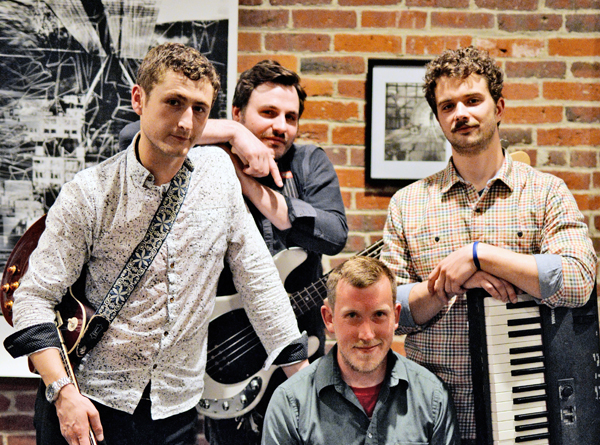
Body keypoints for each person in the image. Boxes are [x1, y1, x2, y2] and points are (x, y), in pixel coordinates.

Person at [5, 43, 309, 445]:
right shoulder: (89, 193)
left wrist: (304, 385)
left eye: (199, 109)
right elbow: (33, 299)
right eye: (173, 102)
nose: (186, 122)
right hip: (88, 403)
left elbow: (259, 281)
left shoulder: (219, 175)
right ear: (138, 99)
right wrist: (63, 394)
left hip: (175, 409)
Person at [120, 60, 348, 444]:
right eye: (269, 113)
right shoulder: (198, 156)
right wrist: (229, 134)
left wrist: (248, 185)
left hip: (294, 352)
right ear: (240, 114)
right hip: (222, 354)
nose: (281, 126)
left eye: (291, 117)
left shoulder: (310, 164)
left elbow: (332, 235)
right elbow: (130, 133)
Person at [380, 46, 597, 443]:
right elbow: (391, 311)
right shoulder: (406, 204)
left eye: (473, 100)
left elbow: (579, 279)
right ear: (439, 119)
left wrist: (480, 256)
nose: (461, 112)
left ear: (498, 107)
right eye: (448, 106)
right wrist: (454, 281)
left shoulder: (546, 192)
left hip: (528, 412)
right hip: (432, 415)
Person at [261, 256, 460, 445]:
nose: (366, 335)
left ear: (396, 316)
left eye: (379, 314)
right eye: (353, 315)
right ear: (329, 318)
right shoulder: (290, 403)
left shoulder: (432, 397)